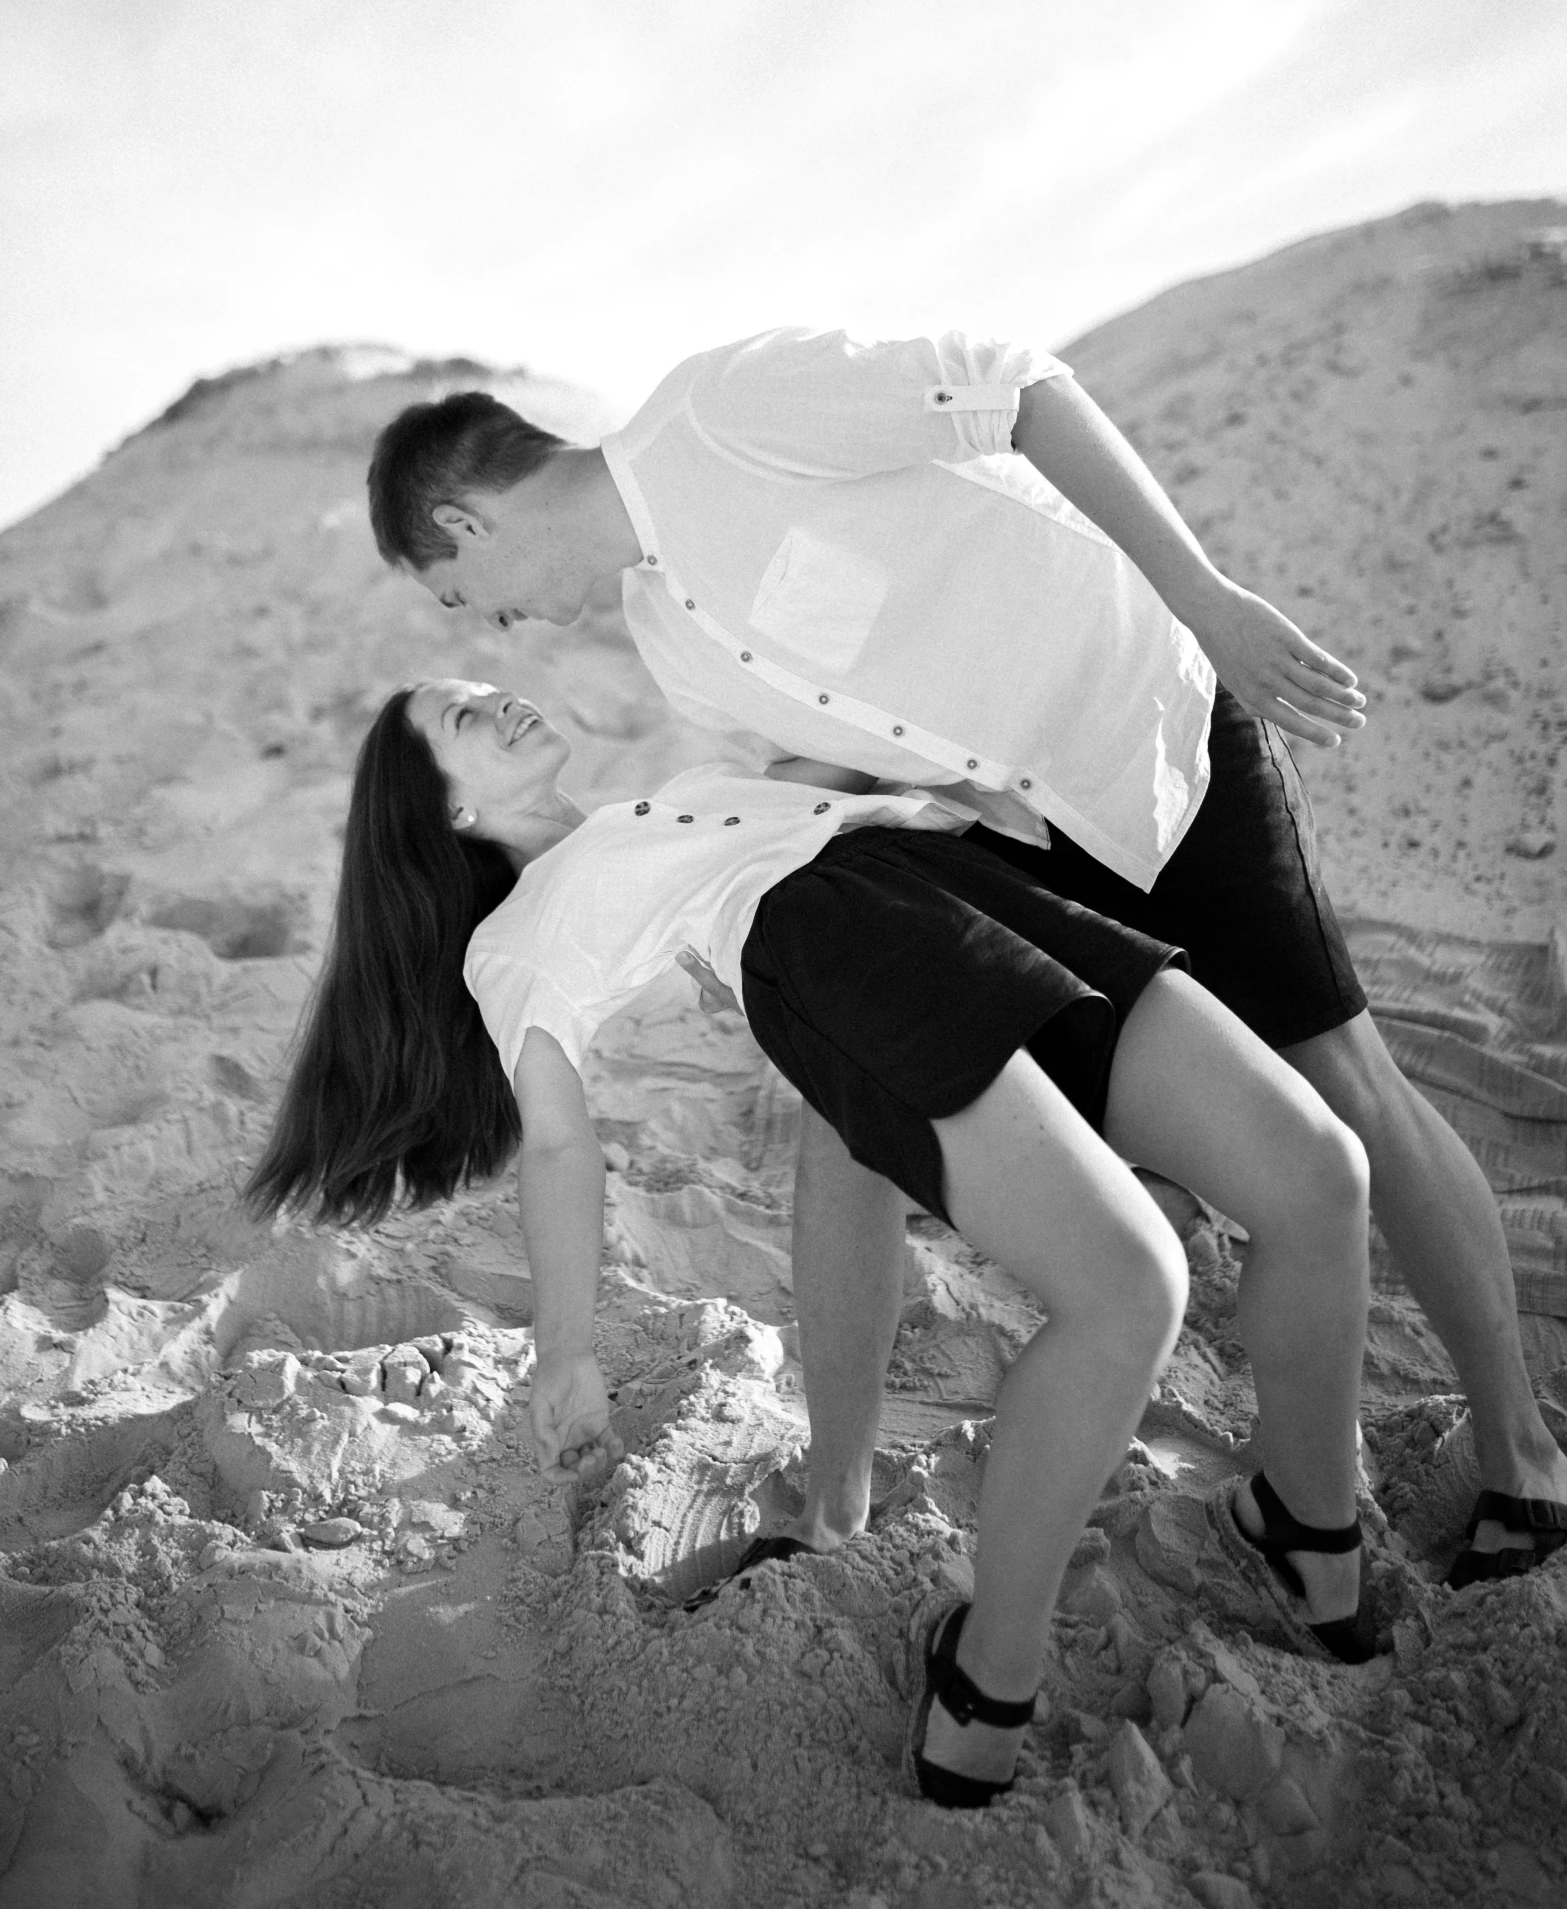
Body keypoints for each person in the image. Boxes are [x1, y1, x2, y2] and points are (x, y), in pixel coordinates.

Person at [365, 332, 1567, 1586]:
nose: (488, 626)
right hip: (1015, 834)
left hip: (1146, 738)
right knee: (844, 1124)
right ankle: (836, 1499)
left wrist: (1208, 599)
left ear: (465, 521)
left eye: (458, 595)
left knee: (1342, 1078)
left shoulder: (722, 411)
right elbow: (832, 768)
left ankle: (1522, 1454)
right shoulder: (660, 631)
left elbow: (1020, 388)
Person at [249, 678, 1377, 1807]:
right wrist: (567, 1348)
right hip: (849, 947)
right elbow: (558, 1145)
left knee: (1321, 1175)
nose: (503, 704)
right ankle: (986, 1679)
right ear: (448, 815)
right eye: (464, 720)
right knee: (1132, 1288)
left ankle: (1304, 1526)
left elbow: (845, 764)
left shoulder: (663, 805)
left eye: (492, 689)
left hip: (968, 894)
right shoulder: (521, 937)